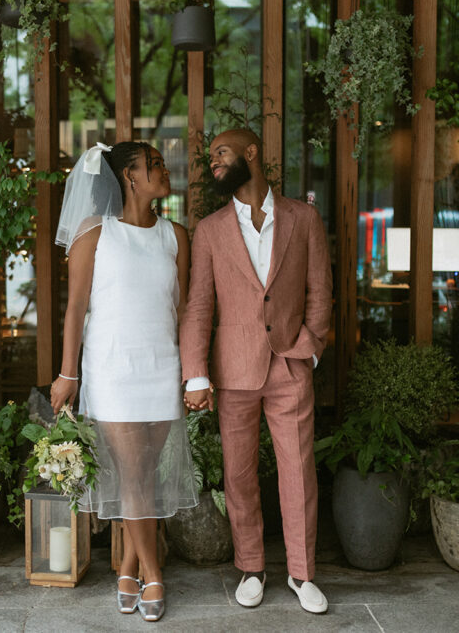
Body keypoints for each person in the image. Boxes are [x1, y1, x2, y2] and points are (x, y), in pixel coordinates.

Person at [180, 128, 333, 614]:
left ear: (251, 153)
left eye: (221, 154)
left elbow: (320, 290)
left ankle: (302, 573)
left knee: (299, 473)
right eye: (211, 158)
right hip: (234, 370)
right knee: (239, 474)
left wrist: (308, 349)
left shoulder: (303, 217)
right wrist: (196, 373)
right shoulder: (209, 231)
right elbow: (199, 305)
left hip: (289, 366)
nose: (214, 164)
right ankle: (251, 567)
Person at [50, 141, 198, 623]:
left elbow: (181, 311)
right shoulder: (95, 234)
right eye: (152, 164)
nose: (163, 169)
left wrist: (191, 371)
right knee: (134, 474)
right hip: (112, 371)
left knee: (145, 477)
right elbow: (75, 309)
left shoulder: (176, 236)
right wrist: (67, 373)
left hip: (160, 367)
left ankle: (128, 568)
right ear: (128, 177)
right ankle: (154, 574)